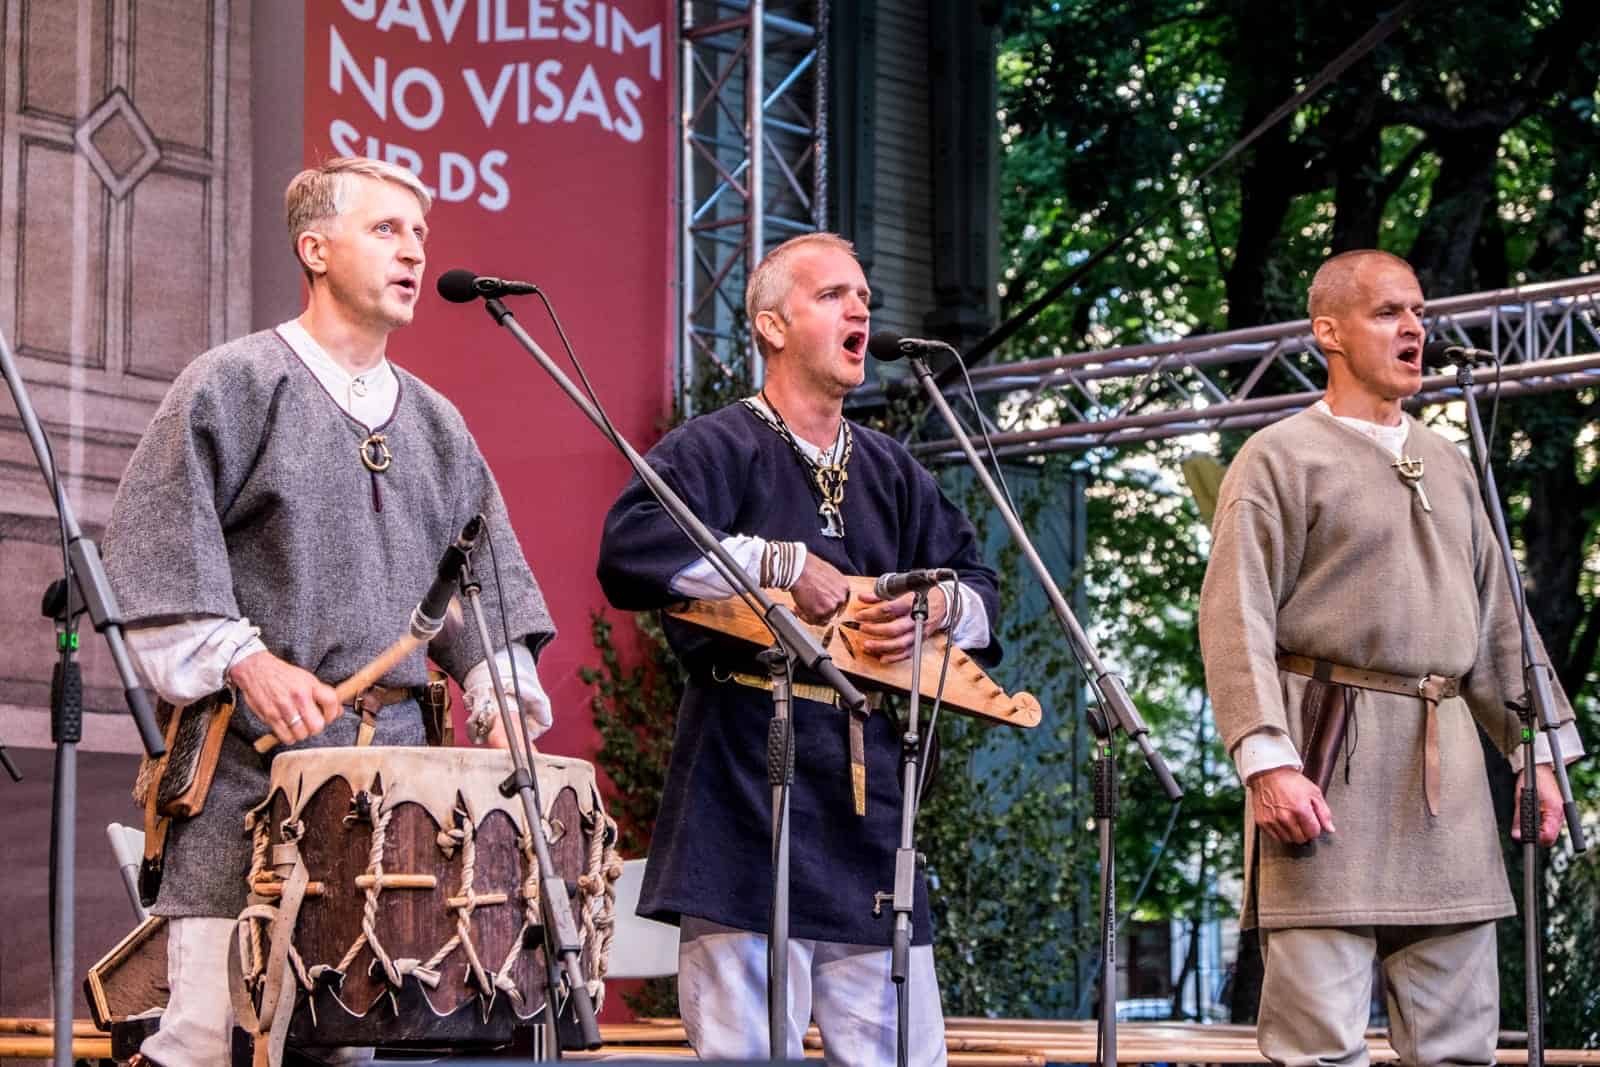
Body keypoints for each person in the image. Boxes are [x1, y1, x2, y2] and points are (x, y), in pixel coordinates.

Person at [103, 156, 557, 1067]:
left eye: (420, 234)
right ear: (314, 249)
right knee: (205, 1031)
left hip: (386, 791)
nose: (414, 252)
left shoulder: (436, 424)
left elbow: (477, 580)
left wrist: (497, 683)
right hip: (247, 776)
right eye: (386, 230)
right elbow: (158, 549)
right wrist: (249, 661)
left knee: (341, 1037)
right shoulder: (234, 383)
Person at [597, 232, 1000, 1065]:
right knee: (748, 1051)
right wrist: (778, 563)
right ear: (773, 326)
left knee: (902, 1054)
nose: (860, 309)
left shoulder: (892, 470)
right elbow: (630, 548)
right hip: (745, 780)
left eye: (864, 298)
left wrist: (937, 604)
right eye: (833, 296)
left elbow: (983, 591)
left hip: (867, 803)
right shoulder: (715, 446)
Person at [1198, 248, 1585, 1065]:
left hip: (1445, 781)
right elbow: (1235, 615)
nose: (1414, 328)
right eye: (1388, 313)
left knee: (1460, 1043)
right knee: (1318, 1044)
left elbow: (1498, 618)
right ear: (1327, 333)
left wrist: (1537, 751)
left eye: (1419, 312)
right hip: (1327, 764)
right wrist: (1267, 761)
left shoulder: (1448, 459)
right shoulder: (1277, 456)